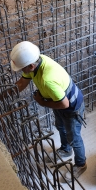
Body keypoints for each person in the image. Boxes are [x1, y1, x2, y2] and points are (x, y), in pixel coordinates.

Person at [10, 41, 87, 180]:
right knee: (60, 127)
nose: (21, 71)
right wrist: (8, 93)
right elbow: (22, 82)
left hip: (71, 107)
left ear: (31, 66)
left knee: (74, 138)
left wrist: (42, 102)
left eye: (22, 68)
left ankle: (81, 164)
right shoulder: (37, 61)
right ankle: (65, 150)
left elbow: (64, 104)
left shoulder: (47, 79)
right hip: (56, 101)